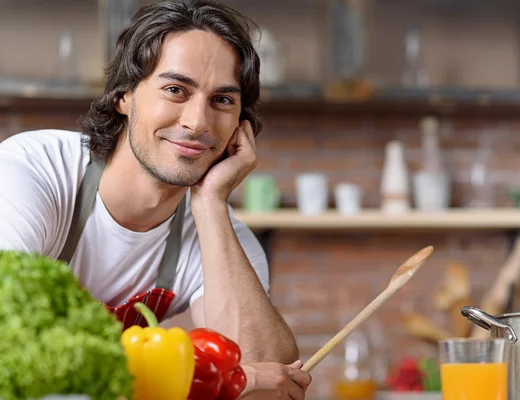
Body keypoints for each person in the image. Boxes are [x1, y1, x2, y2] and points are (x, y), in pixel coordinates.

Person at [0, 0, 312, 398]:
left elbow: (275, 385)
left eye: (222, 100)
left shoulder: (222, 235)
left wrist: (210, 204)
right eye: (175, 90)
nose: (197, 122)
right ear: (124, 96)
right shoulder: (31, 173)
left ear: (240, 125)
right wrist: (238, 378)